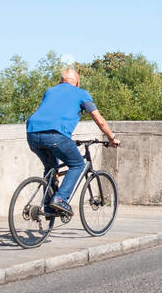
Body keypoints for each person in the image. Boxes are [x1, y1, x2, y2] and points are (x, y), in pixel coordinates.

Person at [26, 66, 119, 216]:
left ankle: (48, 209)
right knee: (77, 164)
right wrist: (111, 138)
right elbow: (99, 120)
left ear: (61, 81)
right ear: (77, 83)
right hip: (56, 135)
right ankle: (60, 199)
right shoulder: (82, 94)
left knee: (51, 169)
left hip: (32, 134)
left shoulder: (50, 91)